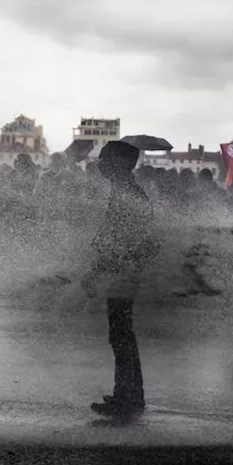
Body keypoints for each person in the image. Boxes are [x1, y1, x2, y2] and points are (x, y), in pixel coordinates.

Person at [82, 141, 159, 417]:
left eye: (105, 159)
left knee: (121, 334)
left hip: (124, 270)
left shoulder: (127, 192)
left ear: (120, 163)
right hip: (124, 268)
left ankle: (129, 396)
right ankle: (128, 394)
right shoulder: (124, 190)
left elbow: (124, 236)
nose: (101, 164)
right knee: (121, 334)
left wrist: (100, 267)